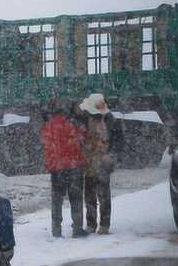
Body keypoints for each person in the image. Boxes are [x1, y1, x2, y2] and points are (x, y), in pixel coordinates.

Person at [41, 101, 89, 238]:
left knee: (57, 200)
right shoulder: (73, 124)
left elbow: (46, 145)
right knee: (76, 198)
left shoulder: (49, 126)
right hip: (74, 166)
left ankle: (56, 230)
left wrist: (51, 164)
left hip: (57, 168)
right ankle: (77, 228)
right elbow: (82, 138)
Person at [79, 94, 124, 235]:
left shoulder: (111, 121)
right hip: (89, 162)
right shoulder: (86, 119)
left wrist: (110, 156)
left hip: (103, 162)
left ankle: (104, 225)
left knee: (103, 195)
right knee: (89, 195)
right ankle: (91, 224)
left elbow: (118, 141)